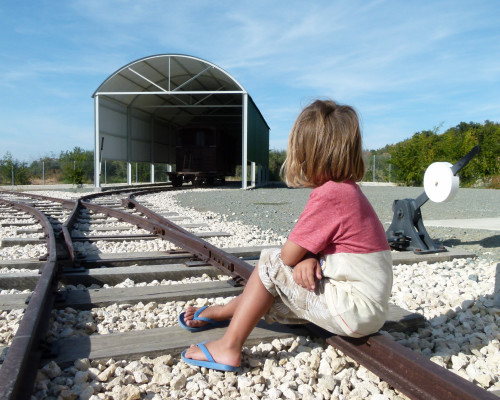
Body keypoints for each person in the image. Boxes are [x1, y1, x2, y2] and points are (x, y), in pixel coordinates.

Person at [179, 99, 393, 372]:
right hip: (366, 311)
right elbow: (331, 248)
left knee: (269, 262)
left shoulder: (330, 194)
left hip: (351, 308)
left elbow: (287, 256)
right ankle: (221, 312)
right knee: (268, 297)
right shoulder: (349, 191)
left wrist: (303, 257)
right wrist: (311, 256)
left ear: (308, 153)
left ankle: (229, 346)